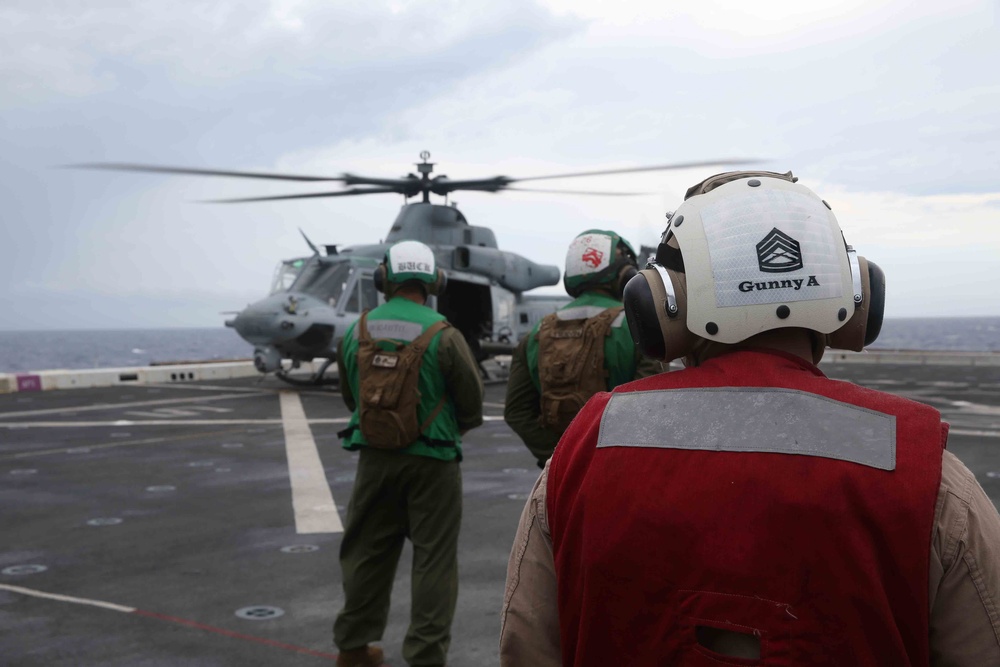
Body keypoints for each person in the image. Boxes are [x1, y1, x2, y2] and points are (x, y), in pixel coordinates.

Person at [499, 172, 1000, 666]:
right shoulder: (929, 476)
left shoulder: (576, 460)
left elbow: (526, 646)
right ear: (855, 293)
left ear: (662, 303)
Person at [333, 240, 484, 667]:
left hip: (374, 459)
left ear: (385, 279)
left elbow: (352, 399)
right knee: (433, 561)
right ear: (433, 281)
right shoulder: (445, 334)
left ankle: (354, 647)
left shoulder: (357, 330)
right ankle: (425, 656)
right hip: (434, 463)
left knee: (366, 554)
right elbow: (471, 405)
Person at [504, 229, 661, 468]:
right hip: (618, 467)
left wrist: (558, 456)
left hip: (559, 474)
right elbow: (651, 406)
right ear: (625, 274)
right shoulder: (636, 327)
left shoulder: (536, 333)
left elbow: (516, 411)